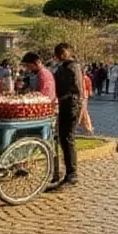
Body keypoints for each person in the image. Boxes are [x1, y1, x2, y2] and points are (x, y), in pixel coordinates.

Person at [50, 43, 85, 188]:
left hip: (71, 105)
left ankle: (72, 175)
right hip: (65, 104)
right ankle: (63, 172)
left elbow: (77, 88)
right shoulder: (63, 67)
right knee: (62, 138)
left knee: (67, 138)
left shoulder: (72, 67)